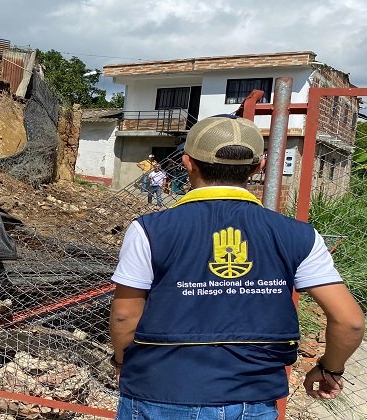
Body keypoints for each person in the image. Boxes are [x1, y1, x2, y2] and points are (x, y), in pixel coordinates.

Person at [109, 115, 364, 419]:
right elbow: (349, 321)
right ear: (259, 167)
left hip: (160, 391)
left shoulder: (149, 230)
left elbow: (125, 314)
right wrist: (329, 368)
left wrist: (125, 363)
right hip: (252, 399)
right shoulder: (299, 235)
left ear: (188, 163)